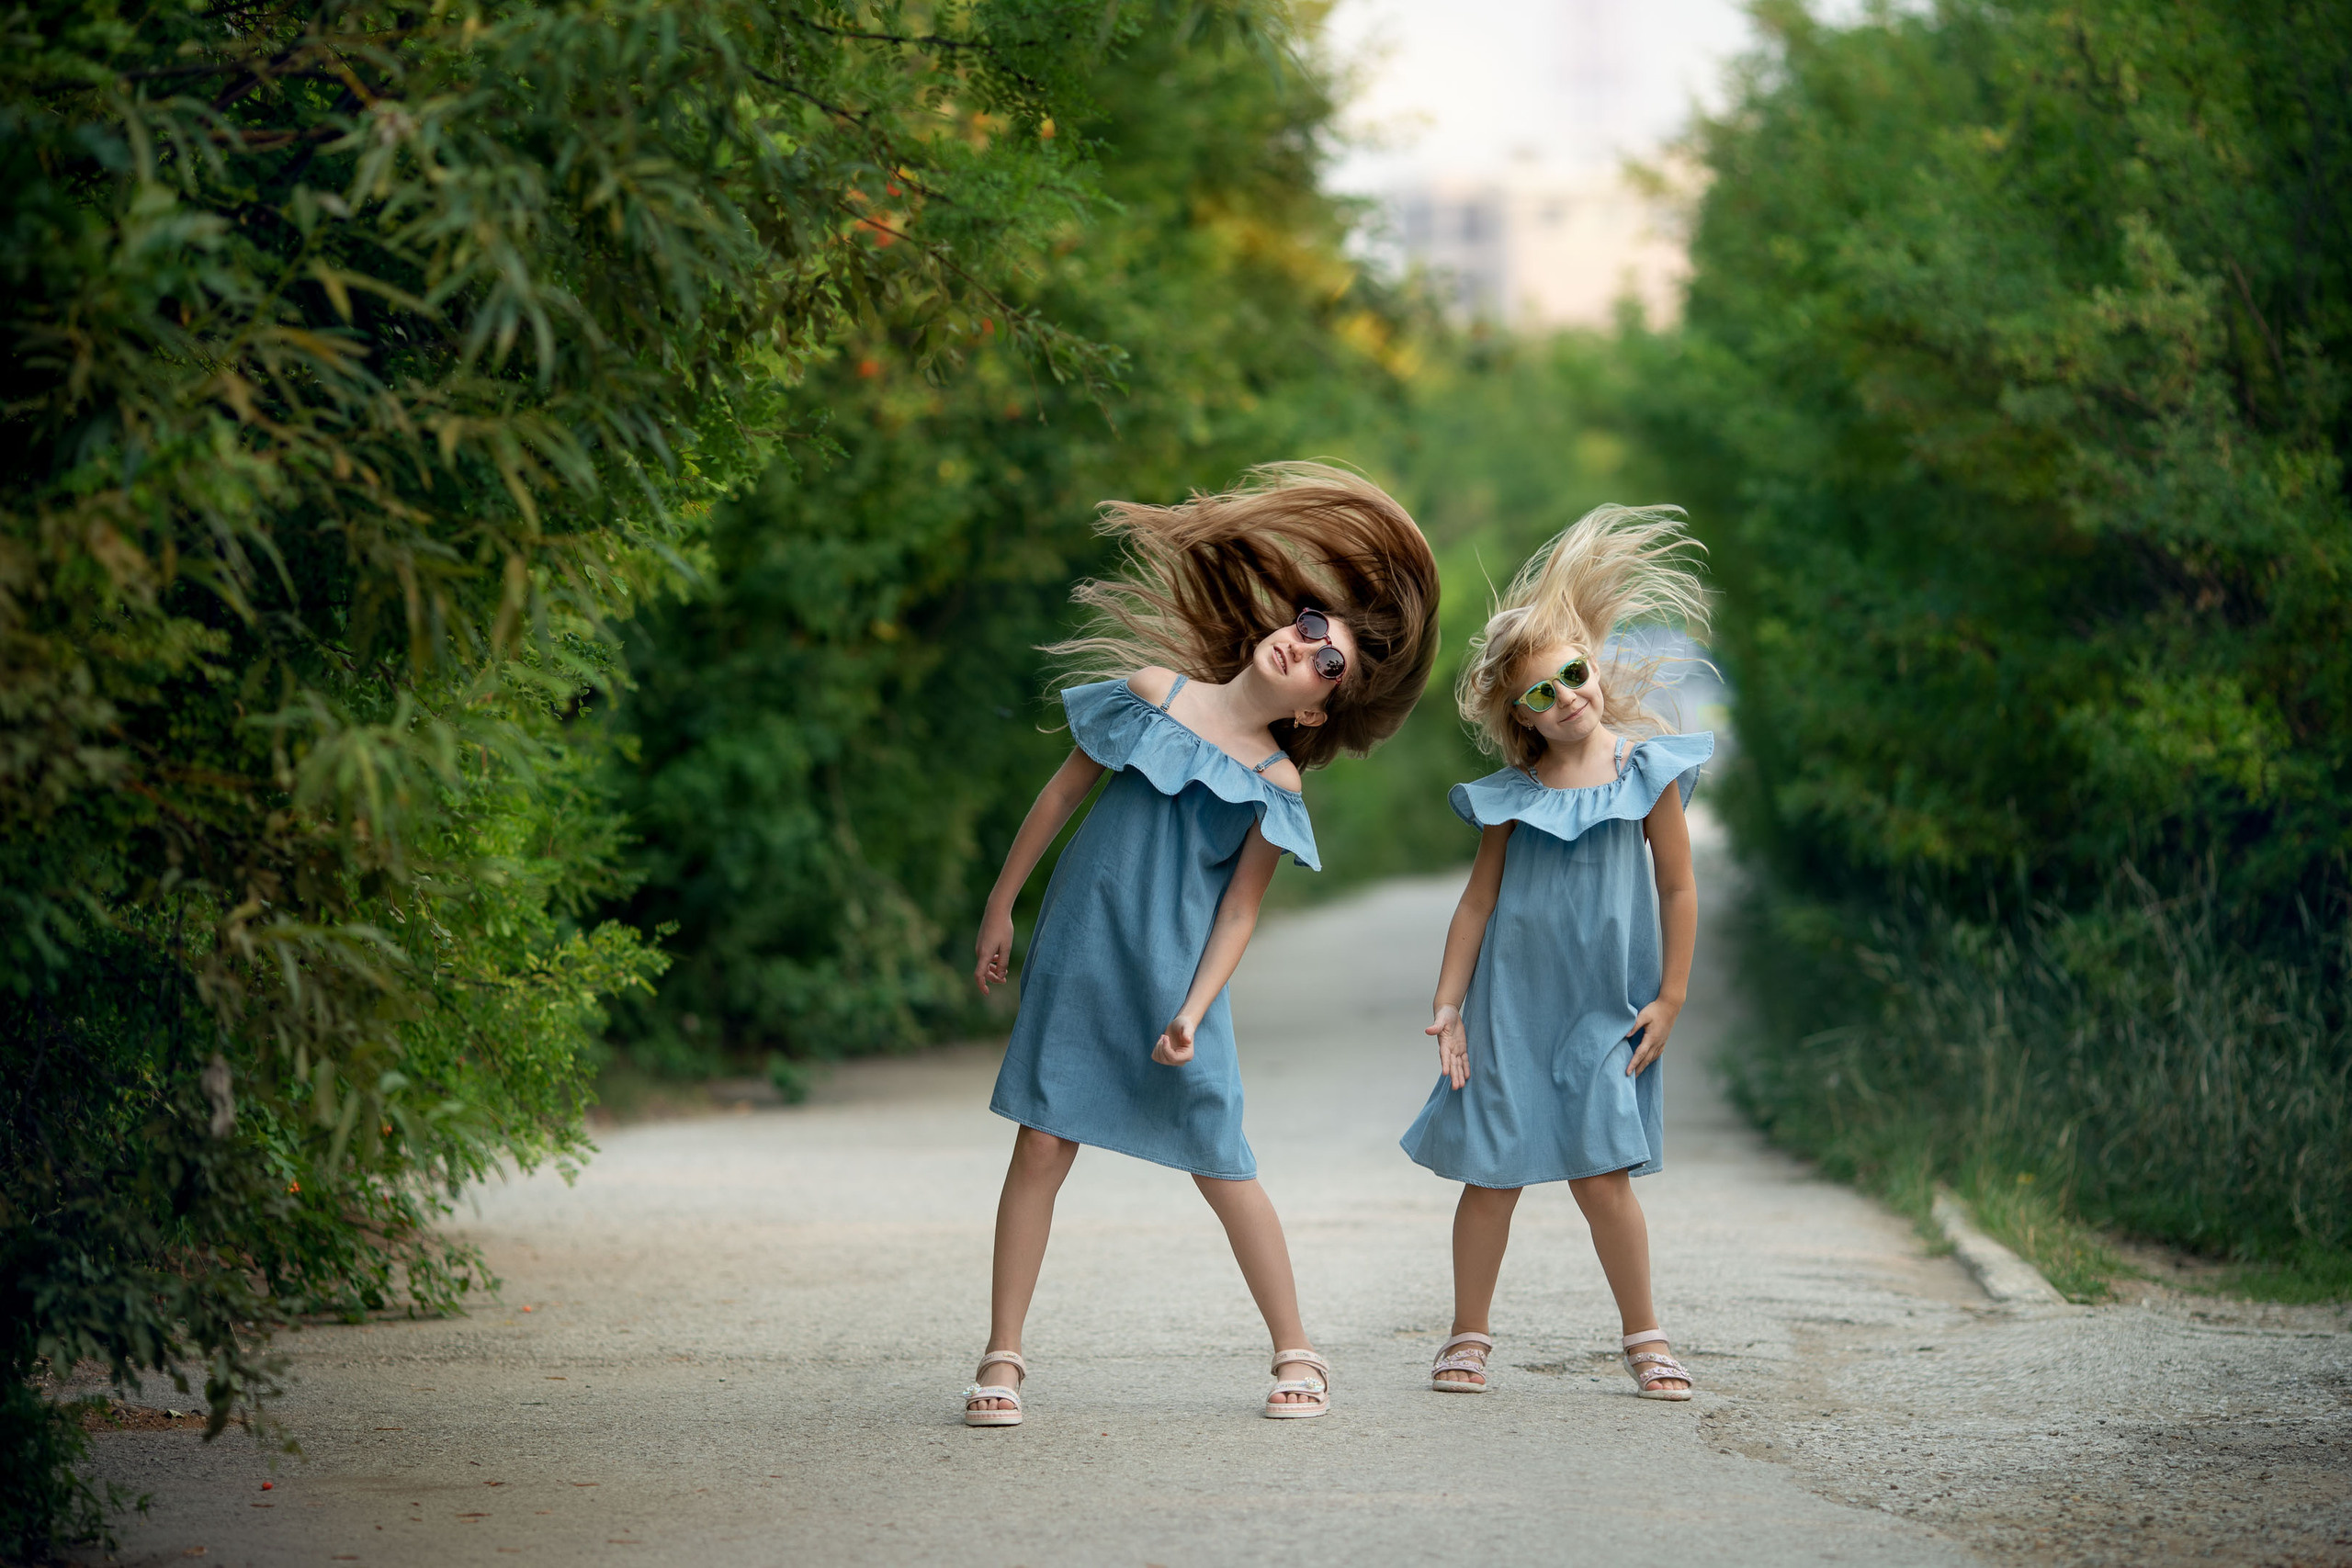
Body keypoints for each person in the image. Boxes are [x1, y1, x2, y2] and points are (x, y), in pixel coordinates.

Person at [963, 463, 1441, 1427]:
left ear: (1314, 711)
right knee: (1042, 1141)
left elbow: (1237, 914)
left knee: (1221, 1158)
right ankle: (1001, 1357)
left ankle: (1296, 1350)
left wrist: (1192, 1008)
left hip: (1179, 982)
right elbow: (1059, 798)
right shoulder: (1148, 693)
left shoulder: (1275, 784)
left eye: (1329, 663)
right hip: (1082, 952)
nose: (1306, 645)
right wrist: (1001, 905)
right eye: (1311, 624)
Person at [1400, 504, 1712, 1402]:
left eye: (1574, 674)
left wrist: (1672, 996)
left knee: (1602, 1175)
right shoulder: (1514, 796)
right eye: (1541, 692)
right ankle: (1466, 1336)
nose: (1567, 696)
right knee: (1490, 1174)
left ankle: (1646, 1338)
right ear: (1520, 715)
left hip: (1605, 1009)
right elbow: (1476, 902)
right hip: (1509, 1011)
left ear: (1594, 667)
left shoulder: (1646, 772)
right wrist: (1449, 1003)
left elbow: (1678, 889)